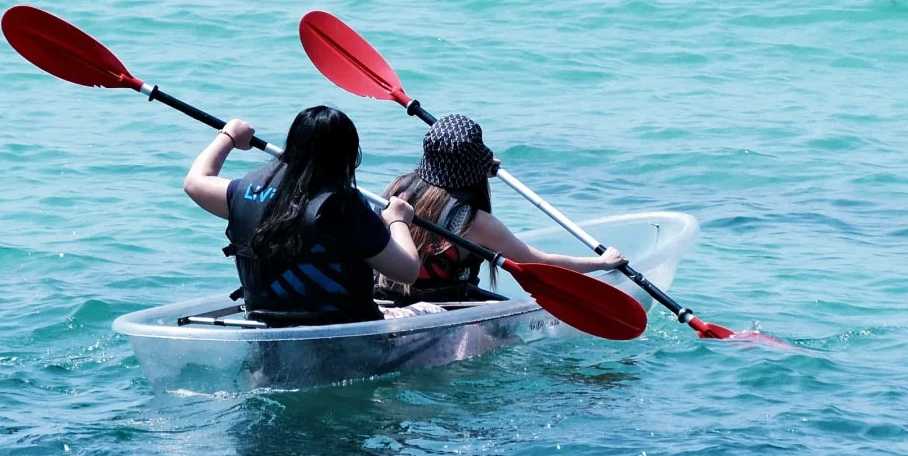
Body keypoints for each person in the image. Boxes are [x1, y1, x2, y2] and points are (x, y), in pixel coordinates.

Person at [184, 106, 420, 326]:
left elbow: (195, 182)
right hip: (342, 336)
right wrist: (397, 220)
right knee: (428, 311)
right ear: (347, 156)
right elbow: (407, 272)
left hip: (268, 329)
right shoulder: (343, 207)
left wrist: (228, 137)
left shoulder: (246, 192)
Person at [375, 113, 628, 306]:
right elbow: (540, 264)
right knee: (511, 337)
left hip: (384, 300)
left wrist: (475, 167)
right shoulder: (473, 221)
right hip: (442, 310)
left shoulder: (398, 189)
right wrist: (601, 263)